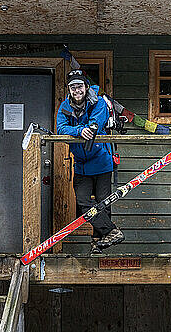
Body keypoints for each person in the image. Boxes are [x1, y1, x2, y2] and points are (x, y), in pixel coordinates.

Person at [56, 69, 124, 254]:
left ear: (86, 87)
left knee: (103, 202)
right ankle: (112, 232)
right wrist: (79, 131)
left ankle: (98, 242)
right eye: (73, 87)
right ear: (69, 90)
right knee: (83, 201)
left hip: (101, 161)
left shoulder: (98, 102)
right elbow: (61, 128)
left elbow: (96, 123)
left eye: (79, 86)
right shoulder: (64, 107)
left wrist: (86, 129)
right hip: (81, 164)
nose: (77, 90)